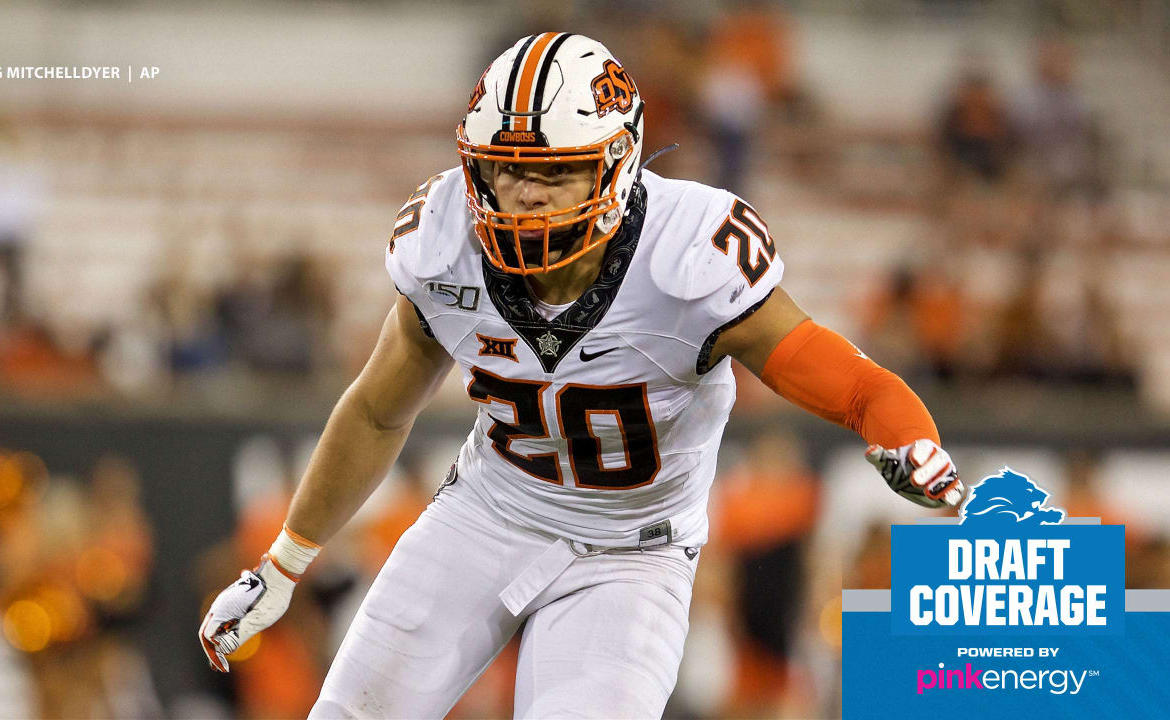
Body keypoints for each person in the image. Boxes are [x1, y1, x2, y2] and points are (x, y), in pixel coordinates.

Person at [199, 34, 964, 719]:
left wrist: (907, 435)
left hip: (635, 552)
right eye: (504, 169)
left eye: (556, 172)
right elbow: (375, 411)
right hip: (487, 514)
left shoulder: (688, 255)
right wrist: (283, 564)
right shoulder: (446, 243)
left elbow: (848, 379)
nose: (524, 194)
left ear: (618, 163)